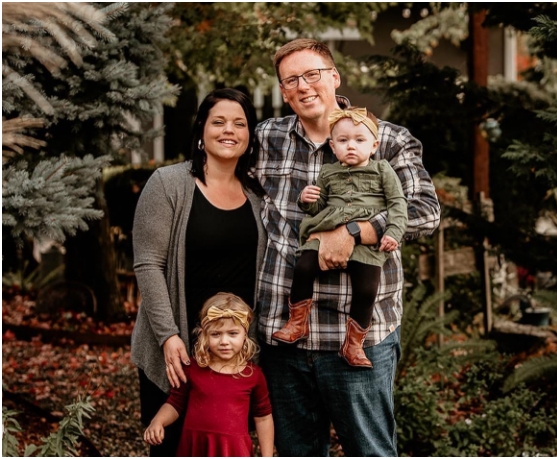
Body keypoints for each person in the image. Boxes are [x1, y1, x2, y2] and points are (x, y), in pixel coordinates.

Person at [253, 38, 441, 457]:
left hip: (357, 341)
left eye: (312, 74)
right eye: (291, 80)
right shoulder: (268, 138)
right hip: (283, 341)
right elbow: (217, 159)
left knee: (370, 451)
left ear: (334, 77)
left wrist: (354, 232)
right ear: (283, 91)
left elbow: (426, 211)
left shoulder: (386, 140)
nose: (303, 86)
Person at [131, 88, 267, 457]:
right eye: (218, 121)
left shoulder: (258, 194)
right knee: (172, 446)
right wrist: (168, 336)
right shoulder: (168, 184)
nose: (229, 130)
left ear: (250, 135)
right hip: (176, 348)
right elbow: (148, 263)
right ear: (202, 131)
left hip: (231, 353)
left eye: (240, 123)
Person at [272, 107, 407, 369]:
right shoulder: (328, 172)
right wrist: (307, 199)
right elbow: (319, 206)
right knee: (303, 267)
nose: (351, 146)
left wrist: (392, 232)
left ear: (374, 145)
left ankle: (354, 344)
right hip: (325, 228)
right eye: (343, 141)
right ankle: (297, 323)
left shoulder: (382, 170)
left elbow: (398, 204)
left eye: (359, 140)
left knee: (367, 289)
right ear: (333, 147)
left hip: (366, 242)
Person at [143, 293, 274, 457]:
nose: (224, 341)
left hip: (232, 450)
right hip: (196, 447)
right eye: (216, 334)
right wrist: (158, 421)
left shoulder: (253, 375)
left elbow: (263, 418)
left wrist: (267, 456)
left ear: (245, 334)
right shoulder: (192, 368)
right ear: (204, 334)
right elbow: (175, 403)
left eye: (232, 333)